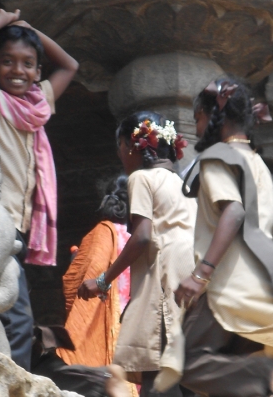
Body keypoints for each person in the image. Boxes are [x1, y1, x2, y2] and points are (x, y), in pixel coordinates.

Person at [161, 78, 273, 397]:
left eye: (197, 118)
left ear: (213, 116)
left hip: (229, 285)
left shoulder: (218, 157)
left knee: (183, 362)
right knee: (229, 378)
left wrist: (200, 274)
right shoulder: (259, 163)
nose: (197, 128)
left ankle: (266, 371)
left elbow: (234, 211)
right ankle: (265, 373)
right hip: (265, 285)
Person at [0, 8, 79, 371]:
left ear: (37, 72)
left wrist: (28, 28)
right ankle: (14, 386)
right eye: (7, 61)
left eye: (28, 63)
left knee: (6, 315)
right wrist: (6, 18)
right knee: (18, 320)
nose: (17, 70)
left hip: (17, 229)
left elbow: (70, 66)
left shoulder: (37, 104)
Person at [78, 111, 197, 397]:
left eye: (120, 146)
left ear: (132, 146)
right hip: (190, 279)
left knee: (158, 378)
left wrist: (103, 280)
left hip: (164, 277)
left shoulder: (141, 178)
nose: (120, 155)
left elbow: (142, 236)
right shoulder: (182, 185)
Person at [58, 175, 133, 368]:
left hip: (110, 325)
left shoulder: (103, 232)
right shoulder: (140, 237)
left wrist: (76, 263)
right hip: (133, 327)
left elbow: (82, 282)